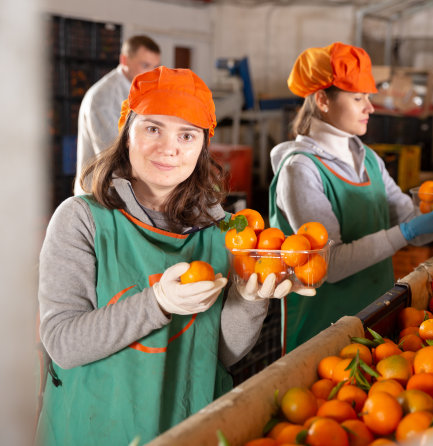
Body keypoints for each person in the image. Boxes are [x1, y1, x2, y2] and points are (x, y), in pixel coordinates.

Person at [37, 66, 306, 445]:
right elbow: (63, 343)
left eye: (187, 134)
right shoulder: (82, 219)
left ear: (202, 146)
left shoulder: (225, 231)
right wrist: (158, 302)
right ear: (127, 134)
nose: (170, 147)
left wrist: (247, 301)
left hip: (189, 424)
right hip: (97, 427)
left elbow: (220, 354)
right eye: (152, 128)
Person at [269, 42, 433, 353]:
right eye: (358, 98)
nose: (370, 107)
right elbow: (332, 264)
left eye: (369, 97)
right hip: (322, 332)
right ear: (322, 100)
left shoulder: (367, 159)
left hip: (375, 316)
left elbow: (414, 229)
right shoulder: (300, 169)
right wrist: (405, 233)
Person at [74, 34, 161, 195]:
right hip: (100, 194)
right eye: (145, 65)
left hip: (123, 189)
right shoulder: (103, 96)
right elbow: (113, 151)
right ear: (124, 61)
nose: (151, 74)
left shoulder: (139, 91)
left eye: (155, 67)